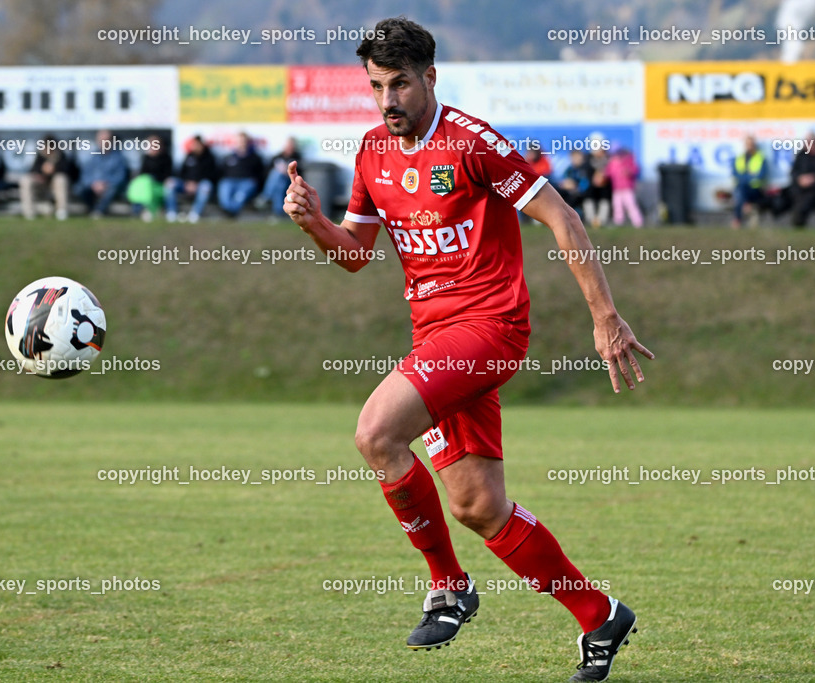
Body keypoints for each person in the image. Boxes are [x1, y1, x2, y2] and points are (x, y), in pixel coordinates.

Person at [283, 17, 651, 682]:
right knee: (479, 505)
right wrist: (314, 223)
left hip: (490, 327)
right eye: (376, 86)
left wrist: (605, 317)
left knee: (375, 432)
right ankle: (600, 614)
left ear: (429, 78)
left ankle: (449, 585)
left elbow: (562, 217)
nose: (388, 99)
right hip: (436, 339)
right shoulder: (370, 153)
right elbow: (356, 254)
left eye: (400, 84)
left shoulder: (472, 144)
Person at [773, 131, 815, 228]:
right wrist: (800, 179)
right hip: (800, 188)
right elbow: (794, 172)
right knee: (783, 195)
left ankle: (798, 223)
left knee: (806, 200)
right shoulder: (802, 155)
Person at [19, 135, 75, 220]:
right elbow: (33, 170)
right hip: (41, 185)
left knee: (60, 179)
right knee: (25, 180)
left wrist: (54, 169)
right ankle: (29, 212)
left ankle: (62, 211)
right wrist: (40, 172)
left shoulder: (61, 156)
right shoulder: (40, 155)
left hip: (55, 186)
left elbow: (68, 171)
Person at [75, 130, 129, 218]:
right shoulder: (92, 157)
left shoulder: (119, 158)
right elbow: (85, 175)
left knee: (112, 190)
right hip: (93, 186)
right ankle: (92, 209)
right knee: (80, 189)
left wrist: (105, 184)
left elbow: (121, 177)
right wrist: (93, 184)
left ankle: (99, 211)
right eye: (101, 140)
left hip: (110, 186)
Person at [170, 135, 218, 223]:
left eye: (198, 144)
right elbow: (182, 172)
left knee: (206, 186)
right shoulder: (189, 156)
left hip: (201, 185)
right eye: (194, 144)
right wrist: (187, 182)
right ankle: (172, 212)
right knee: (170, 183)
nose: (196, 146)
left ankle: (195, 213)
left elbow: (212, 175)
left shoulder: (209, 157)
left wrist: (196, 183)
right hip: (186, 184)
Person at [127, 134, 173, 222]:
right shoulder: (146, 158)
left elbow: (167, 175)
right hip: (147, 185)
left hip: (159, 185)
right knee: (140, 185)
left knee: (147, 186)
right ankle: (137, 211)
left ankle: (147, 210)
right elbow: (142, 173)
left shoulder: (166, 158)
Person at [217, 132, 263, 218]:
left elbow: (260, 174)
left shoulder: (254, 157)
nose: (241, 143)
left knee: (240, 195)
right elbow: (222, 172)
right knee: (224, 187)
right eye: (239, 141)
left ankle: (231, 211)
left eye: (243, 141)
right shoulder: (229, 157)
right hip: (230, 181)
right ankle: (228, 209)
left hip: (246, 182)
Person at [731, 135, 768, 229]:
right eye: (748, 144)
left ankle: (737, 220)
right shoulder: (739, 158)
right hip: (743, 187)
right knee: (741, 190)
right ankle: (746, 205)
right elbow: (735, 174)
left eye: (751, 144)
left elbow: (761, 175)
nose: (750, 146)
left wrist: (745, 176)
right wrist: (750, 176)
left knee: (740, 193)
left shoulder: (761, 158)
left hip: (756, 189)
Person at [258, 137, 302, 216]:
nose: (289, 147)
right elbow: (267, 171)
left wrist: (287, 171)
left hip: (290, 180)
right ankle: (278, 212)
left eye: (291, 145)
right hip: (278, 181)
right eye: (288, 145)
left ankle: (266, 196)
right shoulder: (277, 157)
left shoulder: (297, 157)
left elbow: (300, 172)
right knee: (278, 182)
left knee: (279, 178)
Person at [605, 148, 643, 228]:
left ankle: (637, 222)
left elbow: (635, 170)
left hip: (627, 189)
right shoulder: (612, 164)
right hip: (617, 189)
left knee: (631, 205)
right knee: (617, 205)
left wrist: (628, 171)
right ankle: (618, 221)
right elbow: (607, 173)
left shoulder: (629, 162)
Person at [556, 150, 592, 217]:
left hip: (581, 193)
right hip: (569, 192)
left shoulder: (585, 169)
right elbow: (564, 180)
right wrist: (564, 184)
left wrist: (576, 187)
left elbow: (586, 183)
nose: (575, 159)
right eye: (573, 157)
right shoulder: (569, 169)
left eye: (577, 157)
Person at [583, 144, 612, 228]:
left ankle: (601, 220)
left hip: (605, 188)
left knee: (605, 200)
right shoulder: (589, 161)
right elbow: (587, 174)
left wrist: (603, 177)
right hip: (591, 188)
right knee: (588, 199)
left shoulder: (608, 161)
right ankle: (591, 219)